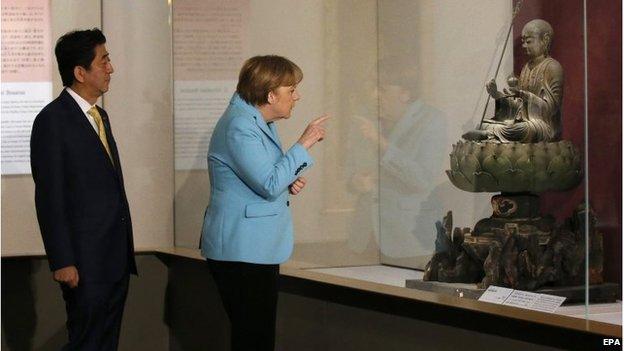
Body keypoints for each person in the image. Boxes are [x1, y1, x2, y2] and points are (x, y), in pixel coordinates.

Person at [200, 55, 328, 350]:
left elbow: (267, 176)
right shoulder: (240, 126)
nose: (297, 97)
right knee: (253, 338)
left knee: (256, 336)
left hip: (254, 248)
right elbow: (269, 184)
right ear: (271, 95)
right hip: (242, 250)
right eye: (291, 90)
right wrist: (304, 143)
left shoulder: (257, 120)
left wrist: (288, 180)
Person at [30, 29, 136, 351]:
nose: (110, 68)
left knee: (106, 342)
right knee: (86, 341)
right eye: (103, 61)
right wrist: (62, 260)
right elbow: (50, 195)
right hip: (84, 262)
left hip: (114, 257)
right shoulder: (52, 120)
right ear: (80, 72)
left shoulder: (99, 115)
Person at [463, 19, 563, 143]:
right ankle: (489, 132)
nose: (524, 45)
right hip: (524, 120)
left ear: (545, 39)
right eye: (523, 41)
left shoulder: (553, 68)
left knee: (520, 129)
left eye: (528, 41)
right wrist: (497, 95)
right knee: (485, 124)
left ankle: (489, 134)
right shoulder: (526, 68)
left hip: (542, 125)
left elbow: (551, 109)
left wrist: (523, 94)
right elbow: (519, 106)